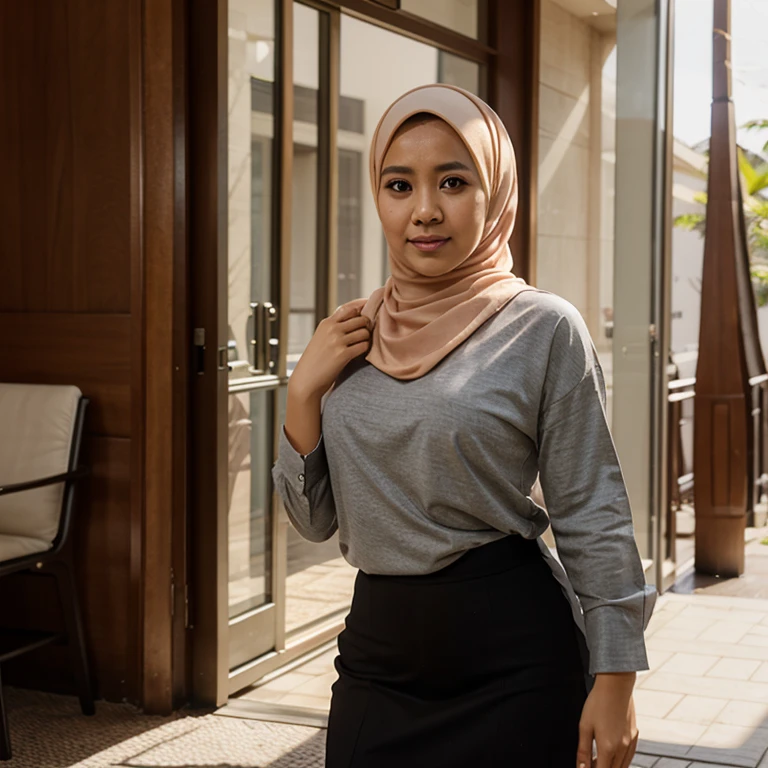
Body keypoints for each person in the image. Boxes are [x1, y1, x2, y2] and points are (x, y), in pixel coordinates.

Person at [272, 84, 656, 768]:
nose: (424, 210)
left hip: (515, 658)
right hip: (378, 654)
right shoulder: (352, 332)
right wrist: (303, 394)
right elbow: (316, 523)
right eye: (398, 185)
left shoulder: (542, 327)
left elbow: (592, 509)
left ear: (496, 192)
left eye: (453, 180)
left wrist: (617, 675)